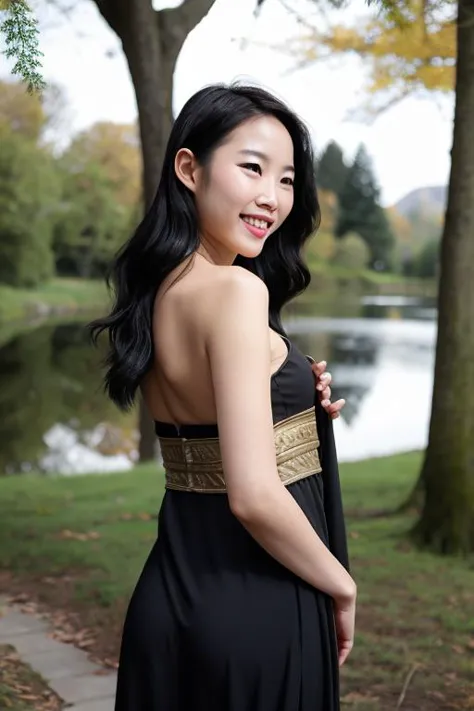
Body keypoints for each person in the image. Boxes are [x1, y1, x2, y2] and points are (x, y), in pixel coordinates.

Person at [89, 83, 356, 711]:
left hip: (172, 599)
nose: (272, 197)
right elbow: (255, 495)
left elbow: (212, 433)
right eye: (253, 168)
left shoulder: (158, 293)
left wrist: (296, 399)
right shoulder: (236, 293)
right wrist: (341, 587)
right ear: (189, 167)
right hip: (256, 603)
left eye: (288, 180)